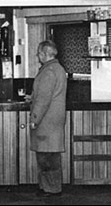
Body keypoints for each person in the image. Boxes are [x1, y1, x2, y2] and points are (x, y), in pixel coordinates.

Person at [28, 40, 67, 197]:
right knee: (48, 155)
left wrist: (34, 119)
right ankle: (48, 187)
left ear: (44, 54)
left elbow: (43, 99)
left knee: (47, 157)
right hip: (53, 121)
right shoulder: (57, 69)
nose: (38, 56)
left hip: (46, 122)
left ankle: (51, 189)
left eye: (39, 53)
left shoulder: (48, 71)